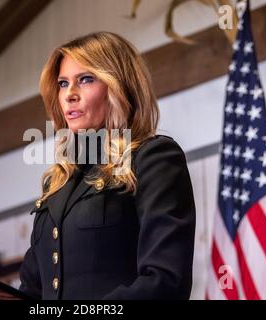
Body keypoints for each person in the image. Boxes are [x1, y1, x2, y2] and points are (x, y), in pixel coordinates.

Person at [19, 31, 196, 300]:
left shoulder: (154, 157)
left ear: (119, 86)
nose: (69, 95)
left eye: (85, 80)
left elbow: (166, 282)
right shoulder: (56, 183)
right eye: (63, 84)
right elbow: (31, 291)